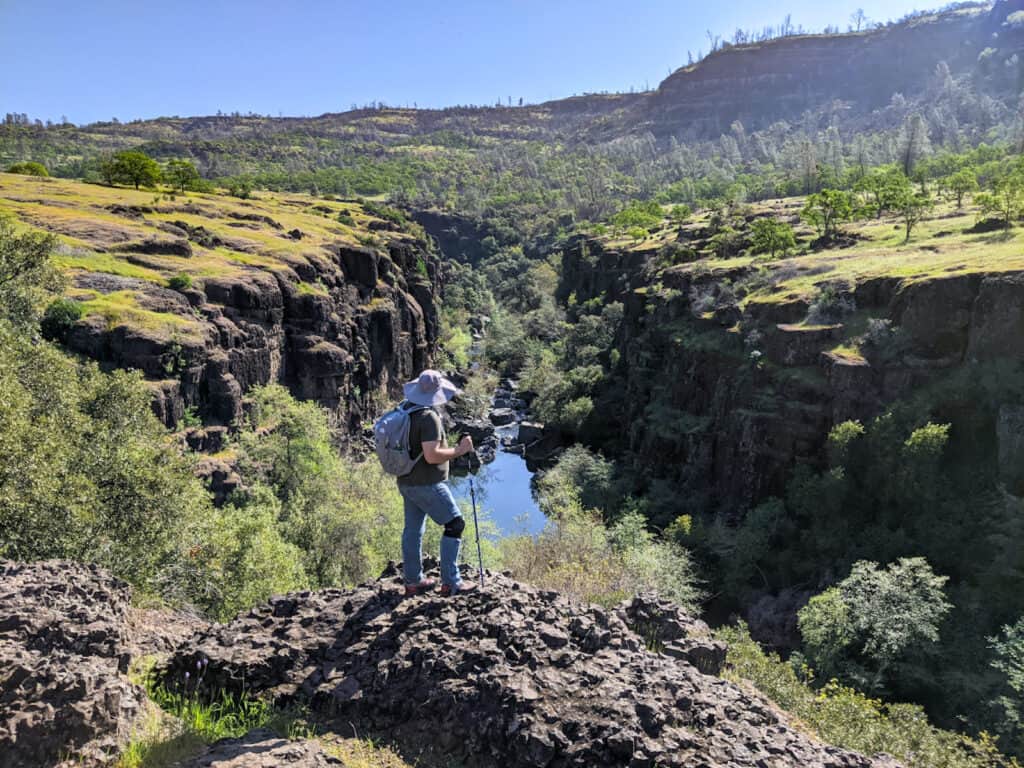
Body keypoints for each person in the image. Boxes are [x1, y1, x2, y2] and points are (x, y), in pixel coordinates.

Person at [397, 369, 477, 597]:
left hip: (406, 481)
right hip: (427, 483)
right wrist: (459, 450)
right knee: (455, 525)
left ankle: (413, 582)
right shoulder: (428, 417)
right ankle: (451, 583)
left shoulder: (406, 409)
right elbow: (432, 456)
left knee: (413, 530)